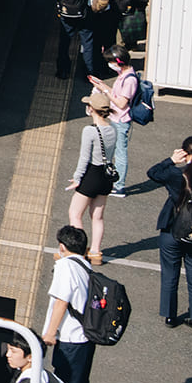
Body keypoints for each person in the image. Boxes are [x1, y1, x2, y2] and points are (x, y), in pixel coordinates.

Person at [145, 140, 192, 330]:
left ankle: (170, 316)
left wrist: (171, 160)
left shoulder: (175, 174)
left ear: (185, 153)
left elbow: (152, 173)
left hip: (172, 228)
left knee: (170, 273)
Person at [42, 225, 98, 383]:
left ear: (62, 246)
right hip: (85, 337)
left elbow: (61, 302)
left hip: (71, 339)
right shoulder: (84, 265)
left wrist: (50, 333)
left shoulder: (65, 266)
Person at [65, 100, 120, 263]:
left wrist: (77, 178)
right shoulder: (112, 129)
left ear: (92, 109)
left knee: (75, 214)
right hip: (106, 176)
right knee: (97, 217)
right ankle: (95, 252)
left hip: (91, 174)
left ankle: (77, 249)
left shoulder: (89, 130)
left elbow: (84, 157)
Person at [47, 0, 110, 82]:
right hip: (86, 14)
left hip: (66, 13)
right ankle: (89, 75)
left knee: (64, 42)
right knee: (88, 44)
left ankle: (62, 71)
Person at [85, 57, 141, 194]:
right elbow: (116, 94)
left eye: (112, 62)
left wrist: (105, 91)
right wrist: (103, 86)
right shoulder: (123, 75)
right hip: (116, 117)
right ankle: (113, 181)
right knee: (114, 150)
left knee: (120, 153)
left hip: (121, 119)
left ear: (119, 62)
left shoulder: (129, 80)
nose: (111, 65)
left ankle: (119, 186)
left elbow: (121, 103)